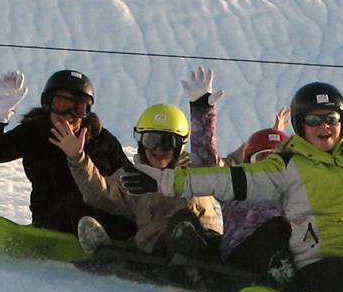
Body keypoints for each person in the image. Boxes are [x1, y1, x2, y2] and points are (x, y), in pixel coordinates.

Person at [121, 0, 343, 292]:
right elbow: (220, 178)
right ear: (300, 125)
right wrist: (164, 179)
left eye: (331, 118)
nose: (324, 126)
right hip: (322, 260)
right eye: (313, 119)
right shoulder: (287, 166)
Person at [173, 65, 343, 289]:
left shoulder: (290, 182)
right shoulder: (240, 187)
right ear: (247, 160)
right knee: (276, 227)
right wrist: (202, 110)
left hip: (289, 252)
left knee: (293, 229)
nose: (267, 165)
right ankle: (216, 256)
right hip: (242, 250)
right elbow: (206, 166)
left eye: (272, 158)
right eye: (260, 158)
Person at [53, 101, 222, 262]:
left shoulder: (196, 172)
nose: (158, 148)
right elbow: (101, 193)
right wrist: (78, 159)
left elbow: (218, 171)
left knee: (183, 220)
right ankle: (112, 252)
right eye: (151, 140)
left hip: (202, 243)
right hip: (154, 248)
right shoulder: (134, 178)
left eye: (167, 142)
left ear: (180, 145)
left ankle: (120, 253)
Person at [0, 69, 135, 238]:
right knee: (79, 198)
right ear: (48, 104)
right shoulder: (35, 133)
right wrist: (0, 110)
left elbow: (129, 179)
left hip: (105, 218)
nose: (68, 115)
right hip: (52, 219)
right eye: (61, 105)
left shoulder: (101, 139)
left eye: (78, 108)